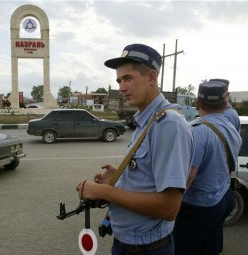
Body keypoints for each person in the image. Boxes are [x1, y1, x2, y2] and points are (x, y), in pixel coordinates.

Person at [76, 44, 193, 255]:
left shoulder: (168, 125)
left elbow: (169, 208)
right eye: (119, 81)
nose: (121, 87)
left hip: (147, 249)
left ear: (151, 77)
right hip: (126, 243)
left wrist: (106, 192)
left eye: (128, 78)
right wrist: (122, 177)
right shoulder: (146, 120)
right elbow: (149, 179)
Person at [173, 81, 242, 255]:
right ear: (225, 103)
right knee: (210, 248)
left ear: (197, 103)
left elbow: (187, 179)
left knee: (182, 248)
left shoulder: (198, 130)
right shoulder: (231, 128)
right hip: (223, 198)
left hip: (199, 207)